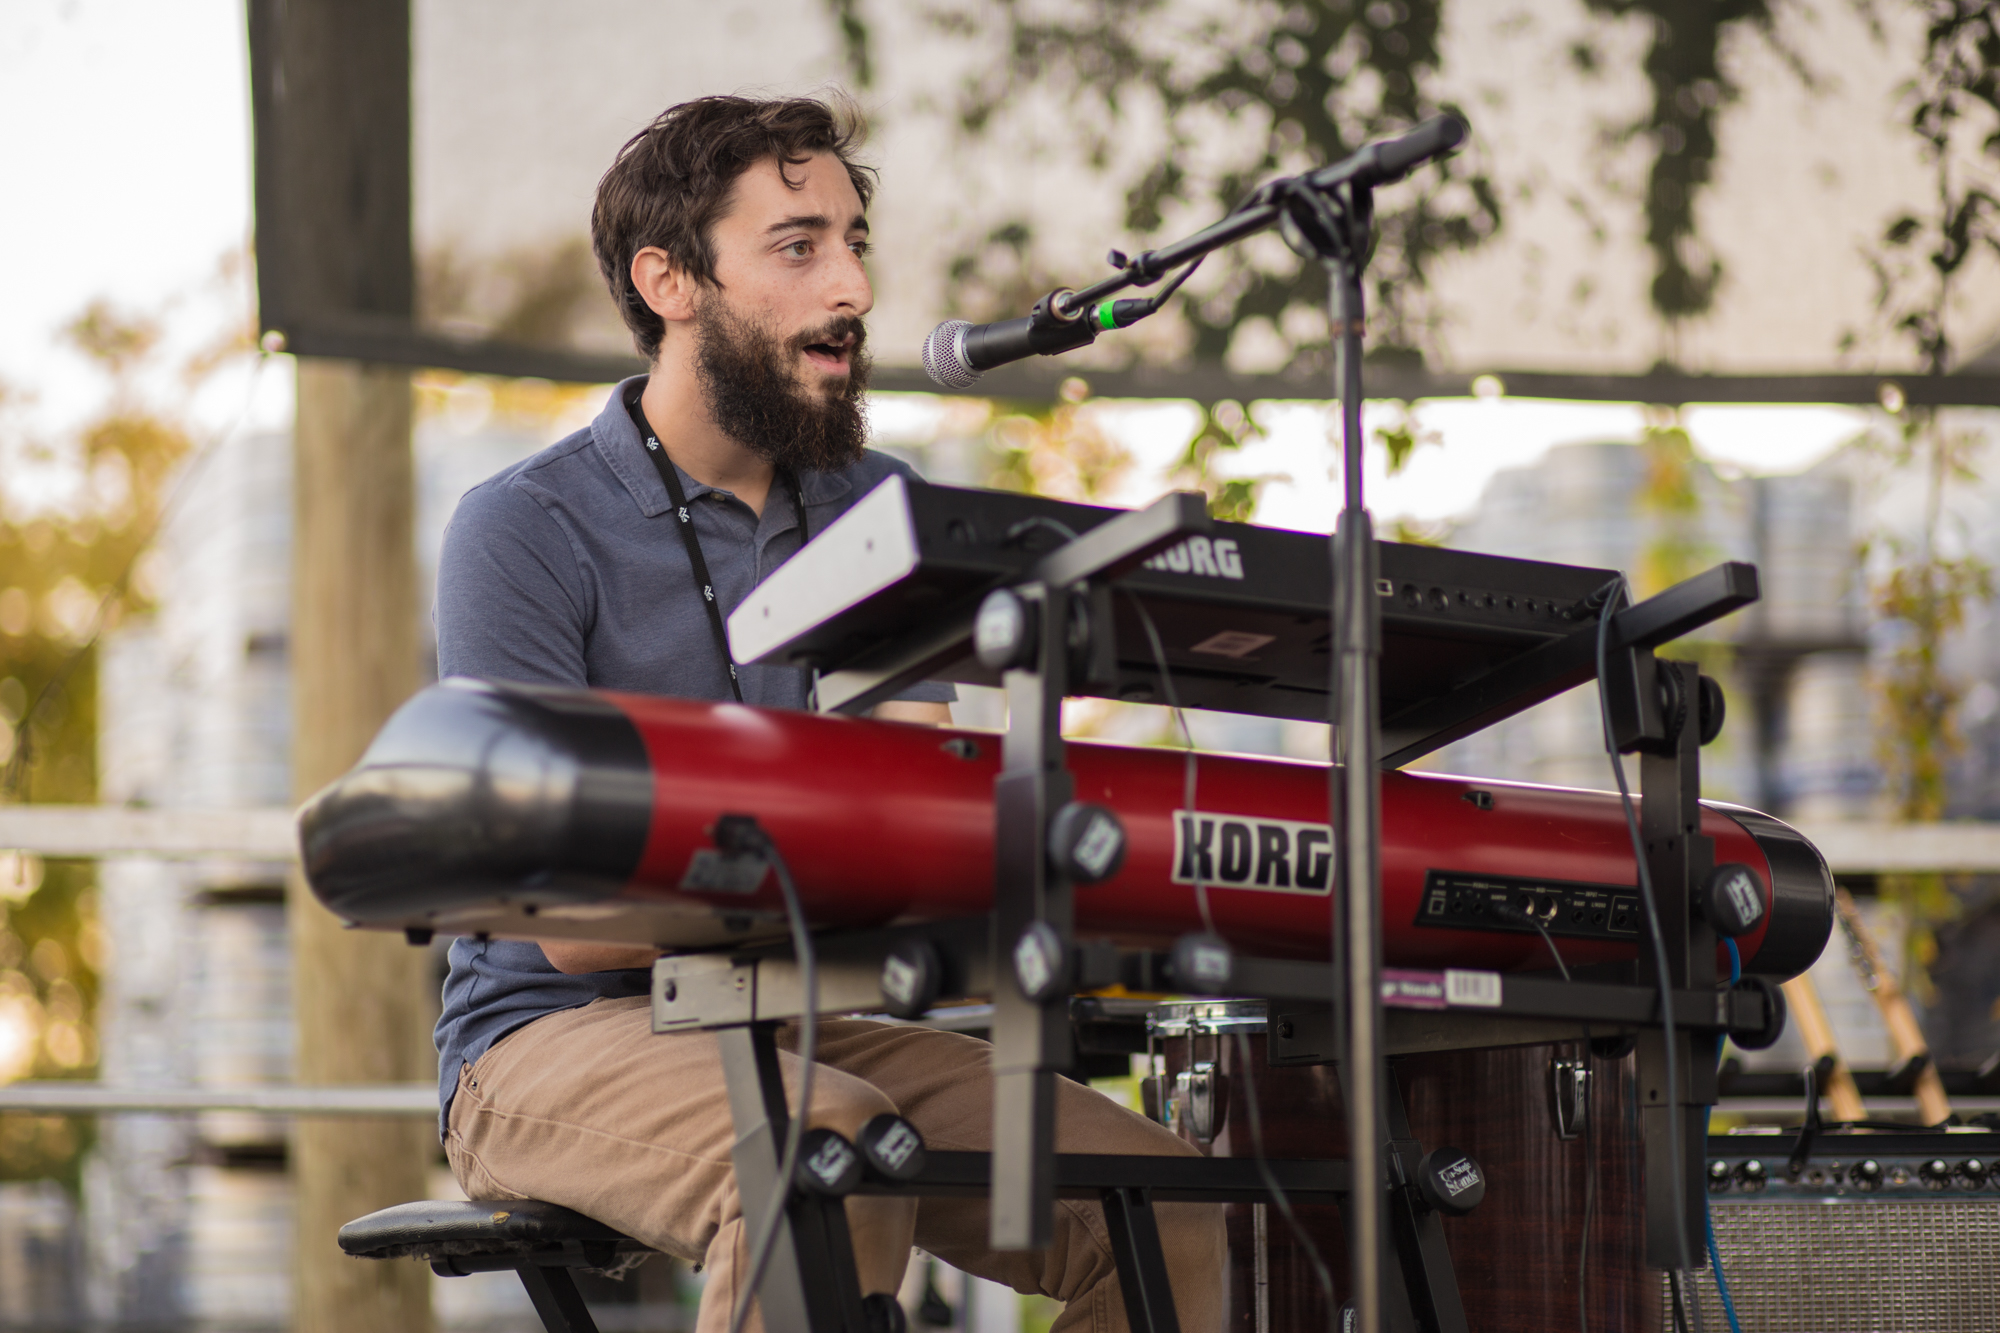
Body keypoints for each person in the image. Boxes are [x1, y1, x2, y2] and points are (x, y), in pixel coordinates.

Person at [430, 93, 1223, 1332]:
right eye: (797, 247)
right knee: (831, 1150)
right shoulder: (522, 527)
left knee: (1176, 1207)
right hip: (546, 1036)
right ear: (669, 281)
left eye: (854, 241)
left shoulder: (882, 504)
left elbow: (939, 803)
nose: (849, 284)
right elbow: (569, 919)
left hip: (804, 1011)